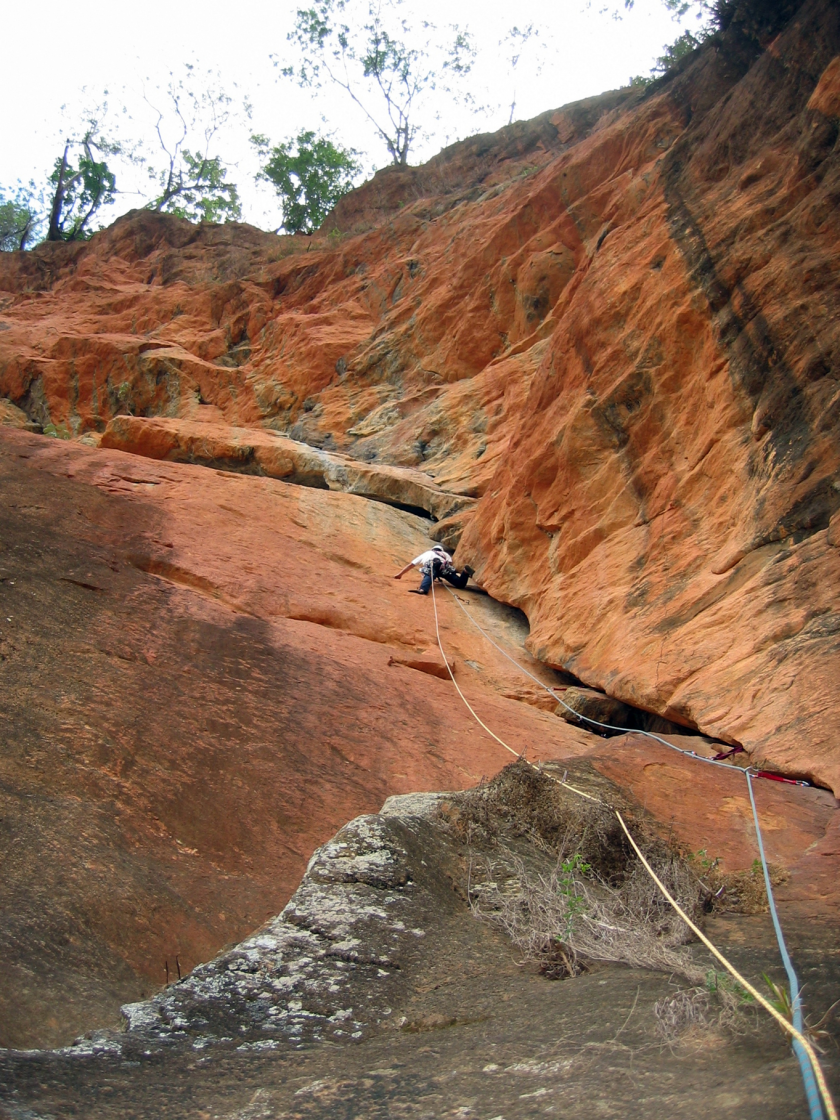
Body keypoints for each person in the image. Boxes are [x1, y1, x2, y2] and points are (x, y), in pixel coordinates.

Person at [394, 546, 475, 595]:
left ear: (432, 549)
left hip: (432, 564)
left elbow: (411, 565)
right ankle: (465, 572)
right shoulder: (445, 554)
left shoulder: (427, 553)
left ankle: (423, 590)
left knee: (429, 575)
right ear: (441, 550)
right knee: (460, 584)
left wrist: (400, 574)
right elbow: (449, 563)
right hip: (444, 567)